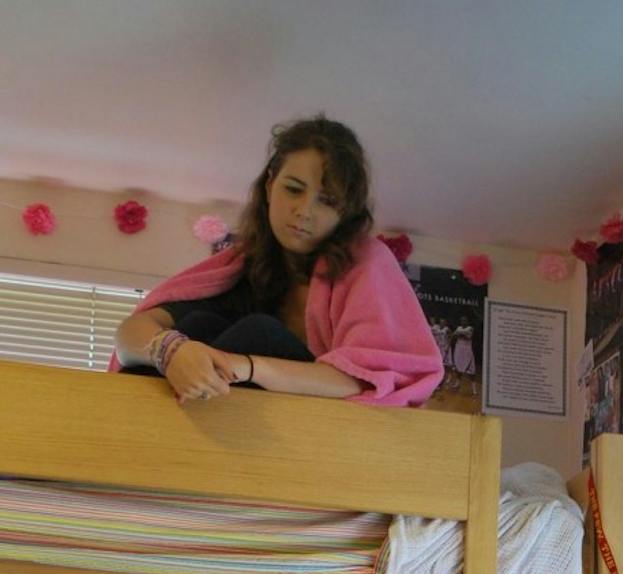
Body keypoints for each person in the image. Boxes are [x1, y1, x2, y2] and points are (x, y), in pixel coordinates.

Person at [113, 115, 443, 407]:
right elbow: (130, 336)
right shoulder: (240, 270)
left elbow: (369, 380)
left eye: (328, 201)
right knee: (197, 327)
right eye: (294, 189)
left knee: (260, 333)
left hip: (328, 428)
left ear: (345, 213)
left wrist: (246, 366)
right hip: (241, 420)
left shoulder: (366, 262)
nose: (304, 211)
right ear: (271, 185)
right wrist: (172, 351)